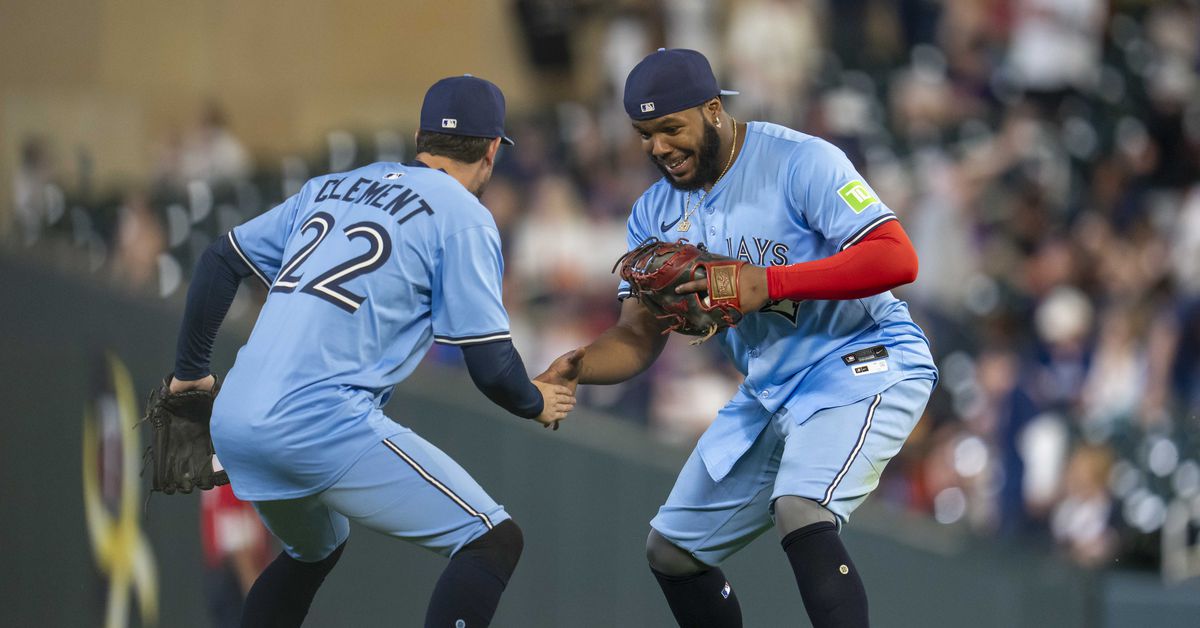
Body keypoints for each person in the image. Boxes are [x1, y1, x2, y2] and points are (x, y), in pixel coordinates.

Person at [539, 49, 939, 628]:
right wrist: (581, 365)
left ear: (712, 109)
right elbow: (637, 334)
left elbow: (897, 258)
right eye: (645, 135)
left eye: (671, 128)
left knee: (801, 507)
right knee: (673, 551)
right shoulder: (652, 212)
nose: (658, 147)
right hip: (770, 388)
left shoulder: (801, 161)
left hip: (862, 356)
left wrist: (767, 283)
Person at [166, 75, 577, 628]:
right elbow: (491, 368)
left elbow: (220, 259)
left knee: (315, 548)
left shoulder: (329, 186)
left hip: (235, 418)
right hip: (319, 421)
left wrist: (189, 377)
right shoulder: (463, 215)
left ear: (420, 138)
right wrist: (536, 400)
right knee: (491, 540)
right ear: (491, 151)